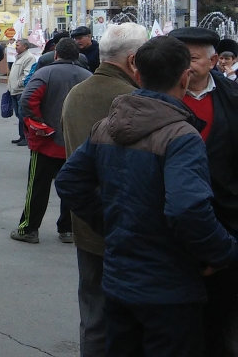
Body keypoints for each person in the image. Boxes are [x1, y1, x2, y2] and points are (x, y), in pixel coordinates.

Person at [56, 36, 238, 356]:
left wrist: (112, 224)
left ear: (138, 75)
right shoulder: (181, 136)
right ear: (184, 77)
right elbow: (187, 209)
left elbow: (70, 180)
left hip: (119, 279)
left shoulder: (105, 127)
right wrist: (223, 252)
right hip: (169, 288)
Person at [59, 22, 147, 357]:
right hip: (125, 226)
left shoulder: (78, 92)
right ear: (134, 60)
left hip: (86, 222)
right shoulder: (129, 99)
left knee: (93, 314)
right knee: (128, 320)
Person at [169, 26, 238, 354]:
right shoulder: (157, 96)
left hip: (224, 223)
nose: (186, 65)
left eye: (193, 58)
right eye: (180, 57)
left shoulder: (232, 98)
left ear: (213, 61)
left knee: (217, 320)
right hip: (169, 229)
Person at [12, 38, 90, 244]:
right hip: (77, 143)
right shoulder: (89, 77)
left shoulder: (44, 74)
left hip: (47, 142)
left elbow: (28, 101)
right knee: (72, 187)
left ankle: (29, 228)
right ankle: (67, 229)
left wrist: (39, 125)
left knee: (37, 186)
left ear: (56, 54)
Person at [7, 39, 39, 146]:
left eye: (18, 45)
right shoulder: (19, 57)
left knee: (23, 115)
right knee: (19, 114)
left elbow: (27, 75)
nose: (16, 47)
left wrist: (18, 84)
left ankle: (26, 137)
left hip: (21, 91)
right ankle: (22, 136)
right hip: (14, 91)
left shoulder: (29, 57)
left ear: (25, 46)